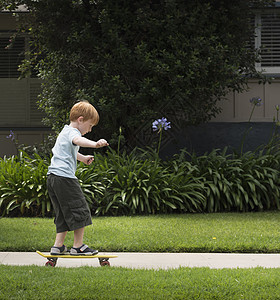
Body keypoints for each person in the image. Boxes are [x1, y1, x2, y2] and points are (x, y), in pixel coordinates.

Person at [47, 100, 109, 255]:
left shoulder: (64, 132)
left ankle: (58, 246)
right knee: (79, 209)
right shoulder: (74, 133)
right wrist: (95, 144)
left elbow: (67, 151)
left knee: (62, 211)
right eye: (90, 125)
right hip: (65, 178)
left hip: (53, 178)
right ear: (80, 120)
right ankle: (78, 246)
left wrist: (82, 158)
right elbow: (78, 141)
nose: (89, 130)